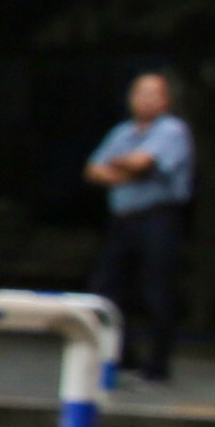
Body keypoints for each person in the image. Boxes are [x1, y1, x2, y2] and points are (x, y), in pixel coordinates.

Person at [84, 68, 197, 385]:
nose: (144, 99)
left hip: (158, 218)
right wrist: (127, 168)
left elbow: (144, 164)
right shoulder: (122, 132)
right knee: (106, 288)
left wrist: (122, 166)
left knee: (157, 290)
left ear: (166, 100)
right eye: (139, 92)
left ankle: (158, 364)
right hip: (124, 220)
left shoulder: (173, 130)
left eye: (153, 93)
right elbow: (93, 170)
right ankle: (123, 356)